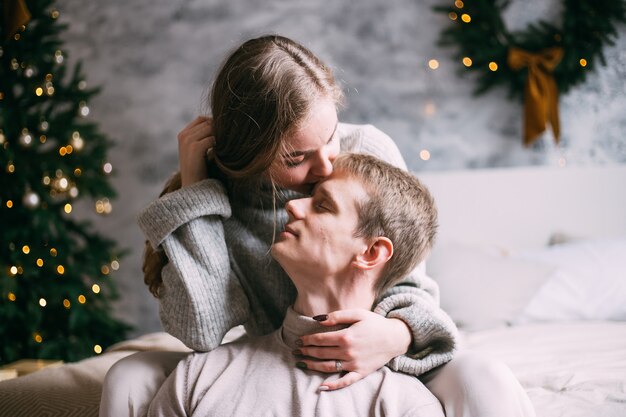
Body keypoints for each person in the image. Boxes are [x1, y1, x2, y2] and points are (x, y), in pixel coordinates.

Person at [100, 34, 535, 417]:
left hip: (375, 344)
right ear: (251, 154)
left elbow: (405, 275)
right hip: (275, 346)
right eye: (296, 158)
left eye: (329, 137)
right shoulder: (215, 191)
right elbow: (201, 331)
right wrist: (196, 194)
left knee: (482, 378)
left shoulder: (366, 149)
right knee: (129, 376)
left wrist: (396, 335)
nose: (326, 165)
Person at [146, 153, 446, 416]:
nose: (292, 205)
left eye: (323, 205)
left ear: (371, 253)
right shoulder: (198, 378)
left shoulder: (406, 406)